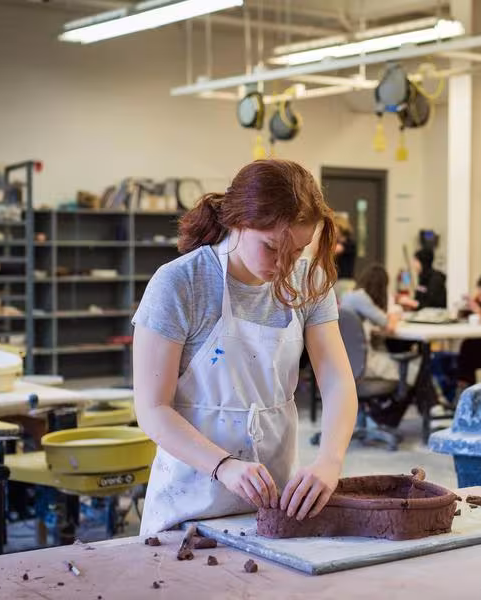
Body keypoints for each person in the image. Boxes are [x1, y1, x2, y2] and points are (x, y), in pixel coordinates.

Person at [132, 159, 358, 535]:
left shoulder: (309, 283)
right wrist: (224, 465)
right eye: (271, 248)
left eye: (298, 251)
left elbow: (338, 383)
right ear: (237, 221)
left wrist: (330, 461)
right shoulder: (180, 284)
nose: (285, 266)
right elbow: (153, 409)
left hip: (273, 504)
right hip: (189, 503)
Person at [340, 264, 418, 427]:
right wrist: (396, 313)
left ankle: (384, 415)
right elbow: (389, 325)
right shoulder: (361, 298)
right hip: (364, 365)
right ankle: (385, 417)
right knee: (415, 368)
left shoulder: (348, 296)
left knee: (404, 364)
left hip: (346, 365)